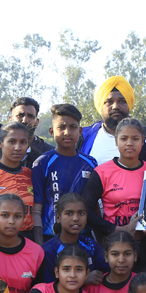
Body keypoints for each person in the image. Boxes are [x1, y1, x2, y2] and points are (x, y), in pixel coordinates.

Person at [83, 117, 146, 273]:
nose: (129, 143)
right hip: (115, 246)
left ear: (143, 141)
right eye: (124, 138)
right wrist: (118, 229)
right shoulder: (102, 172)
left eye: (135, 138)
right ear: (116, 141)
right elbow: (86, 209)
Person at [31, 103, 97, 242]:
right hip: (51, 238)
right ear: (51, 131)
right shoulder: (42, 163)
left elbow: (95, 204)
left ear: (80, 131)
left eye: (73, 127)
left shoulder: (90, 163)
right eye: (61, 127)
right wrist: (39, 246)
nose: (67, 132)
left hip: (83, 238)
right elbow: (36, 209)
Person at [80, 76, 146, 165]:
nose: (115, 106)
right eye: (109, 102)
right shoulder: (83, 137)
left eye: (121, 101)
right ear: (101, 106)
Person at [39, 192, 108, 280]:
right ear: (58, 218)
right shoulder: (48, 250)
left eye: (81, 213)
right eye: (69, 213)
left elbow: (107, 270)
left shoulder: (90, 244)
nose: (76, 218)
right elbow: (47, 285)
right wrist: (83, 280)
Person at [9, 97, 53, 166]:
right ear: (10, 120)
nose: (25, 120)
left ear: (37, 122)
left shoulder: (50, 154)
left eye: (30, 116)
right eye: (20, 115)